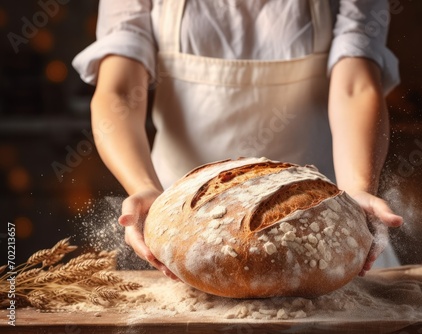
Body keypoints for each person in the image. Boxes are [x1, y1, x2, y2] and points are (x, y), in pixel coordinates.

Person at [73, 0, 403, 279]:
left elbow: (356, 86)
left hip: (323, 232)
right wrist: (143, 188)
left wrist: (358, 189)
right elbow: (118, 91)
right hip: (182, 235)